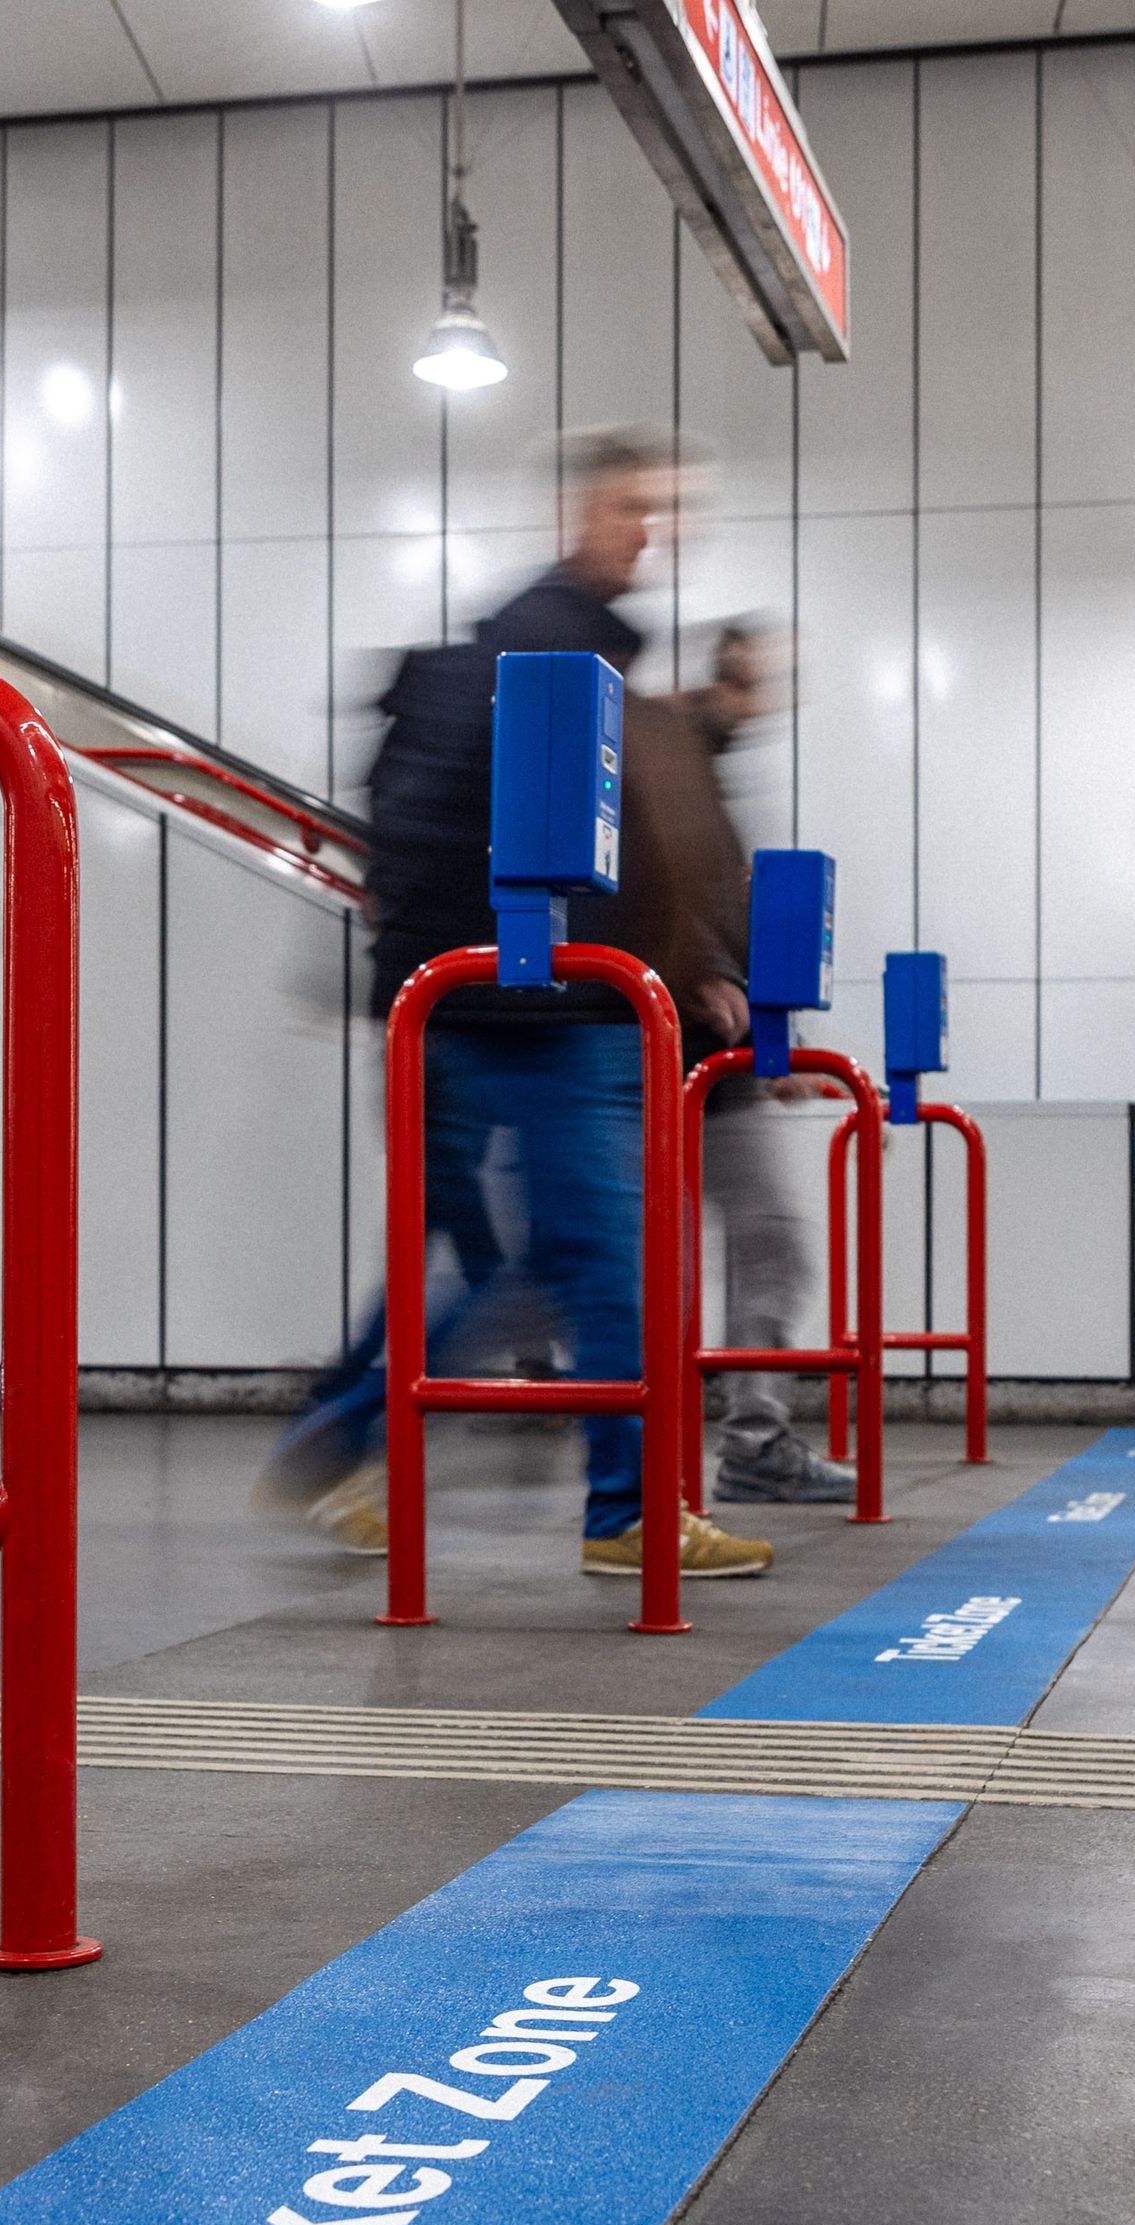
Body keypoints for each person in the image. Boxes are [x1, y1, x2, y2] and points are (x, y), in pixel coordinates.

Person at [257, 429, 773, 1584]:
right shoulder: (553, 655)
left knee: (505, 1262)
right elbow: (582, 848)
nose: (653, 529)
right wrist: (629, 965)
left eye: (663, 509)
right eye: (637, 507)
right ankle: (620, 1514)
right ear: (582, 512)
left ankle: (338, 1444)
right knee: (598, 1257)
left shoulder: (560, 655)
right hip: (539, 1013)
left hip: (468, 1007)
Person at [646, 621, 856, 1505]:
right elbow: (657, 888)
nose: (759, 703)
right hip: (673, 1061)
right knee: (701, 1256)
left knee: (758, 1246)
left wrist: (779, 1051)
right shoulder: (671, 762)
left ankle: (747, 1442)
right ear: (716, 681)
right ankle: (705, 1455)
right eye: (747, 683)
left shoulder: (712, 777)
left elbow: (727, 917)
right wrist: (704, 980)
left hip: (717, 1067)